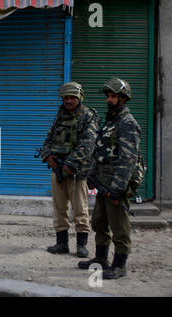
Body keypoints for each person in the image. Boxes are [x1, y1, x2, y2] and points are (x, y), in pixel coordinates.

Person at [78, 78, 141, 279]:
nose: (109, 99)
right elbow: (101, 151)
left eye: (113, 96)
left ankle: (119, 266)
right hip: (103, 183)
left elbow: (128, 159)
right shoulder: (111, 121)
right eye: (108, 96)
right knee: (99, 222)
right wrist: (91, 175)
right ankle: (101, 259)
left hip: (115, 186)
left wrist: (117, 188)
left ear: (123, 98)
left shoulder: (127, 123)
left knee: (119, 227)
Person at [40, 82, 100, 258]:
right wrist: (47, 156)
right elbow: (49, 138)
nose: (68, 101)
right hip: (58, 169)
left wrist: (70, 163)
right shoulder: (60, 115)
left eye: (72, 97)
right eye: (66, 98)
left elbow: (88, 144)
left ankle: (81, 246)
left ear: (79, 98)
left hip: (76, 172)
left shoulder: (88, 116)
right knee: (59, 209)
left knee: (80, 210)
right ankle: (61, 244)